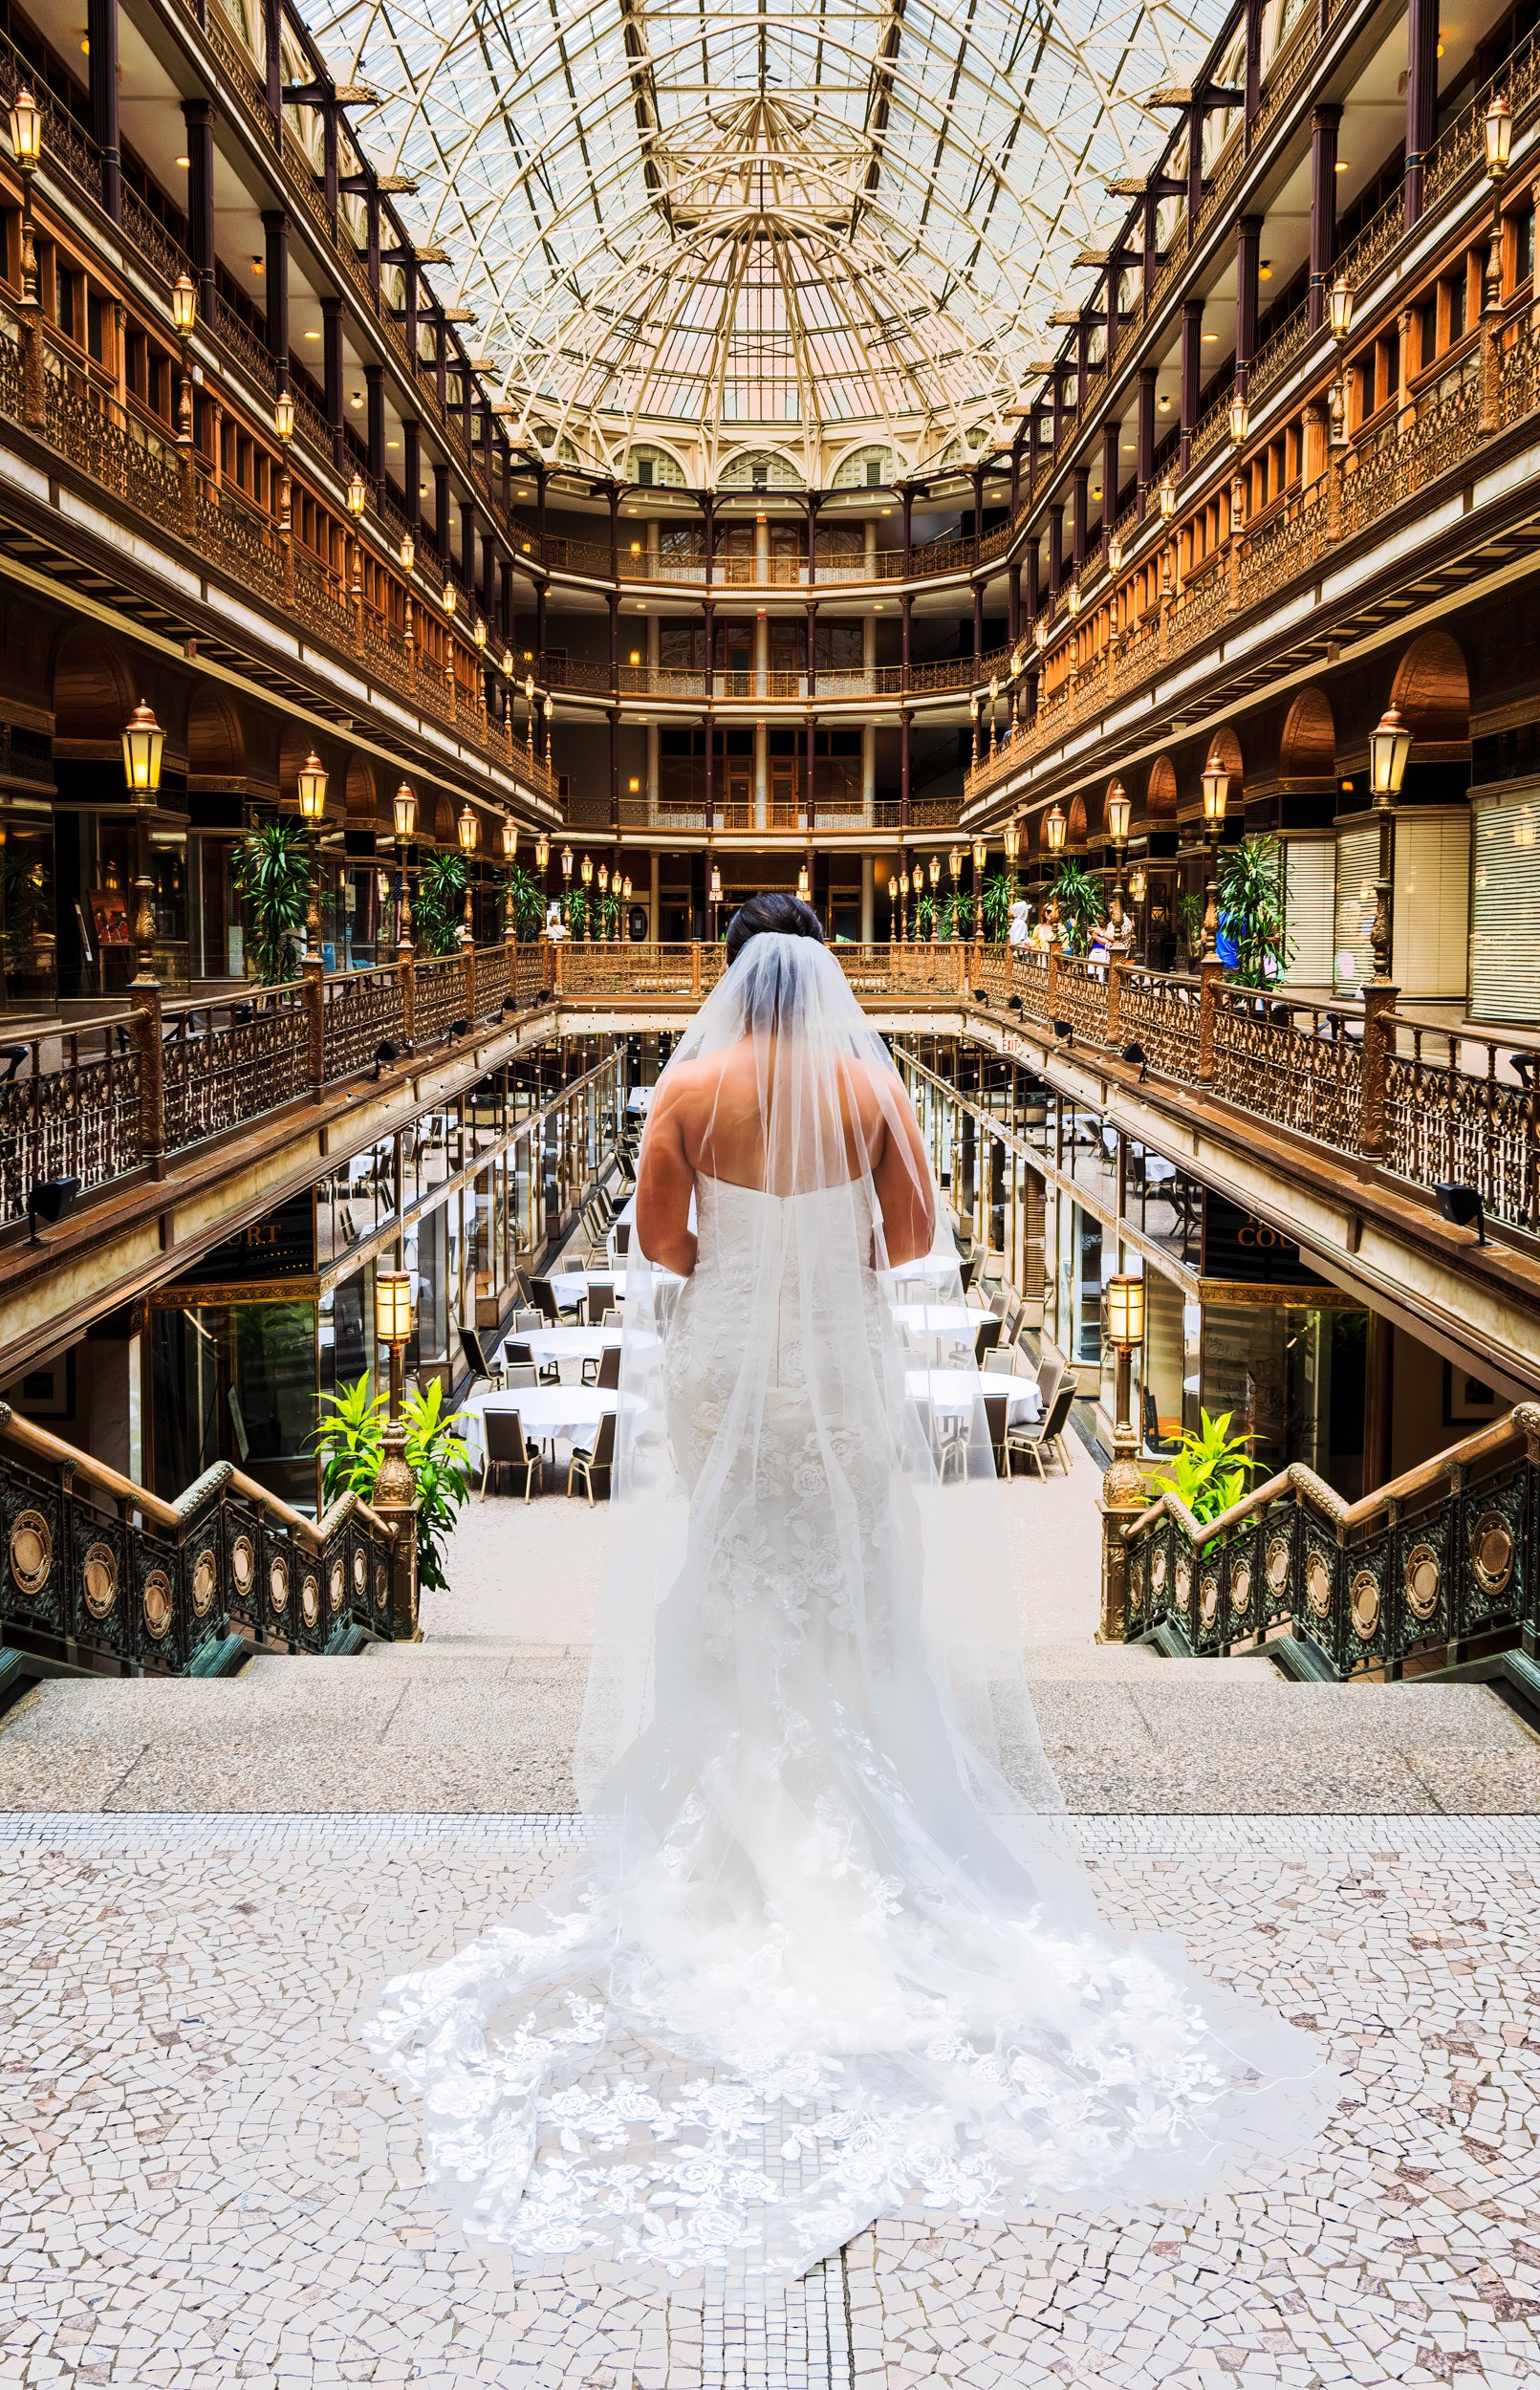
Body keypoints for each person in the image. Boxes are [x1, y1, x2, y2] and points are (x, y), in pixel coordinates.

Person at [361, 894, 1335, 2289]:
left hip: (734, 1379)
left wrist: (749, 1278)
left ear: (732, 978)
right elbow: (908, 1242)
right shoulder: (871, 1084)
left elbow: (661, 1257)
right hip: (835, 1365)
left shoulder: (686, 1086)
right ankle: (871, 1834)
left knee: (736, 1578)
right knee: (851, 1591)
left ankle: (739, 1830)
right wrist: (815, 1269)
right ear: (819, 975)